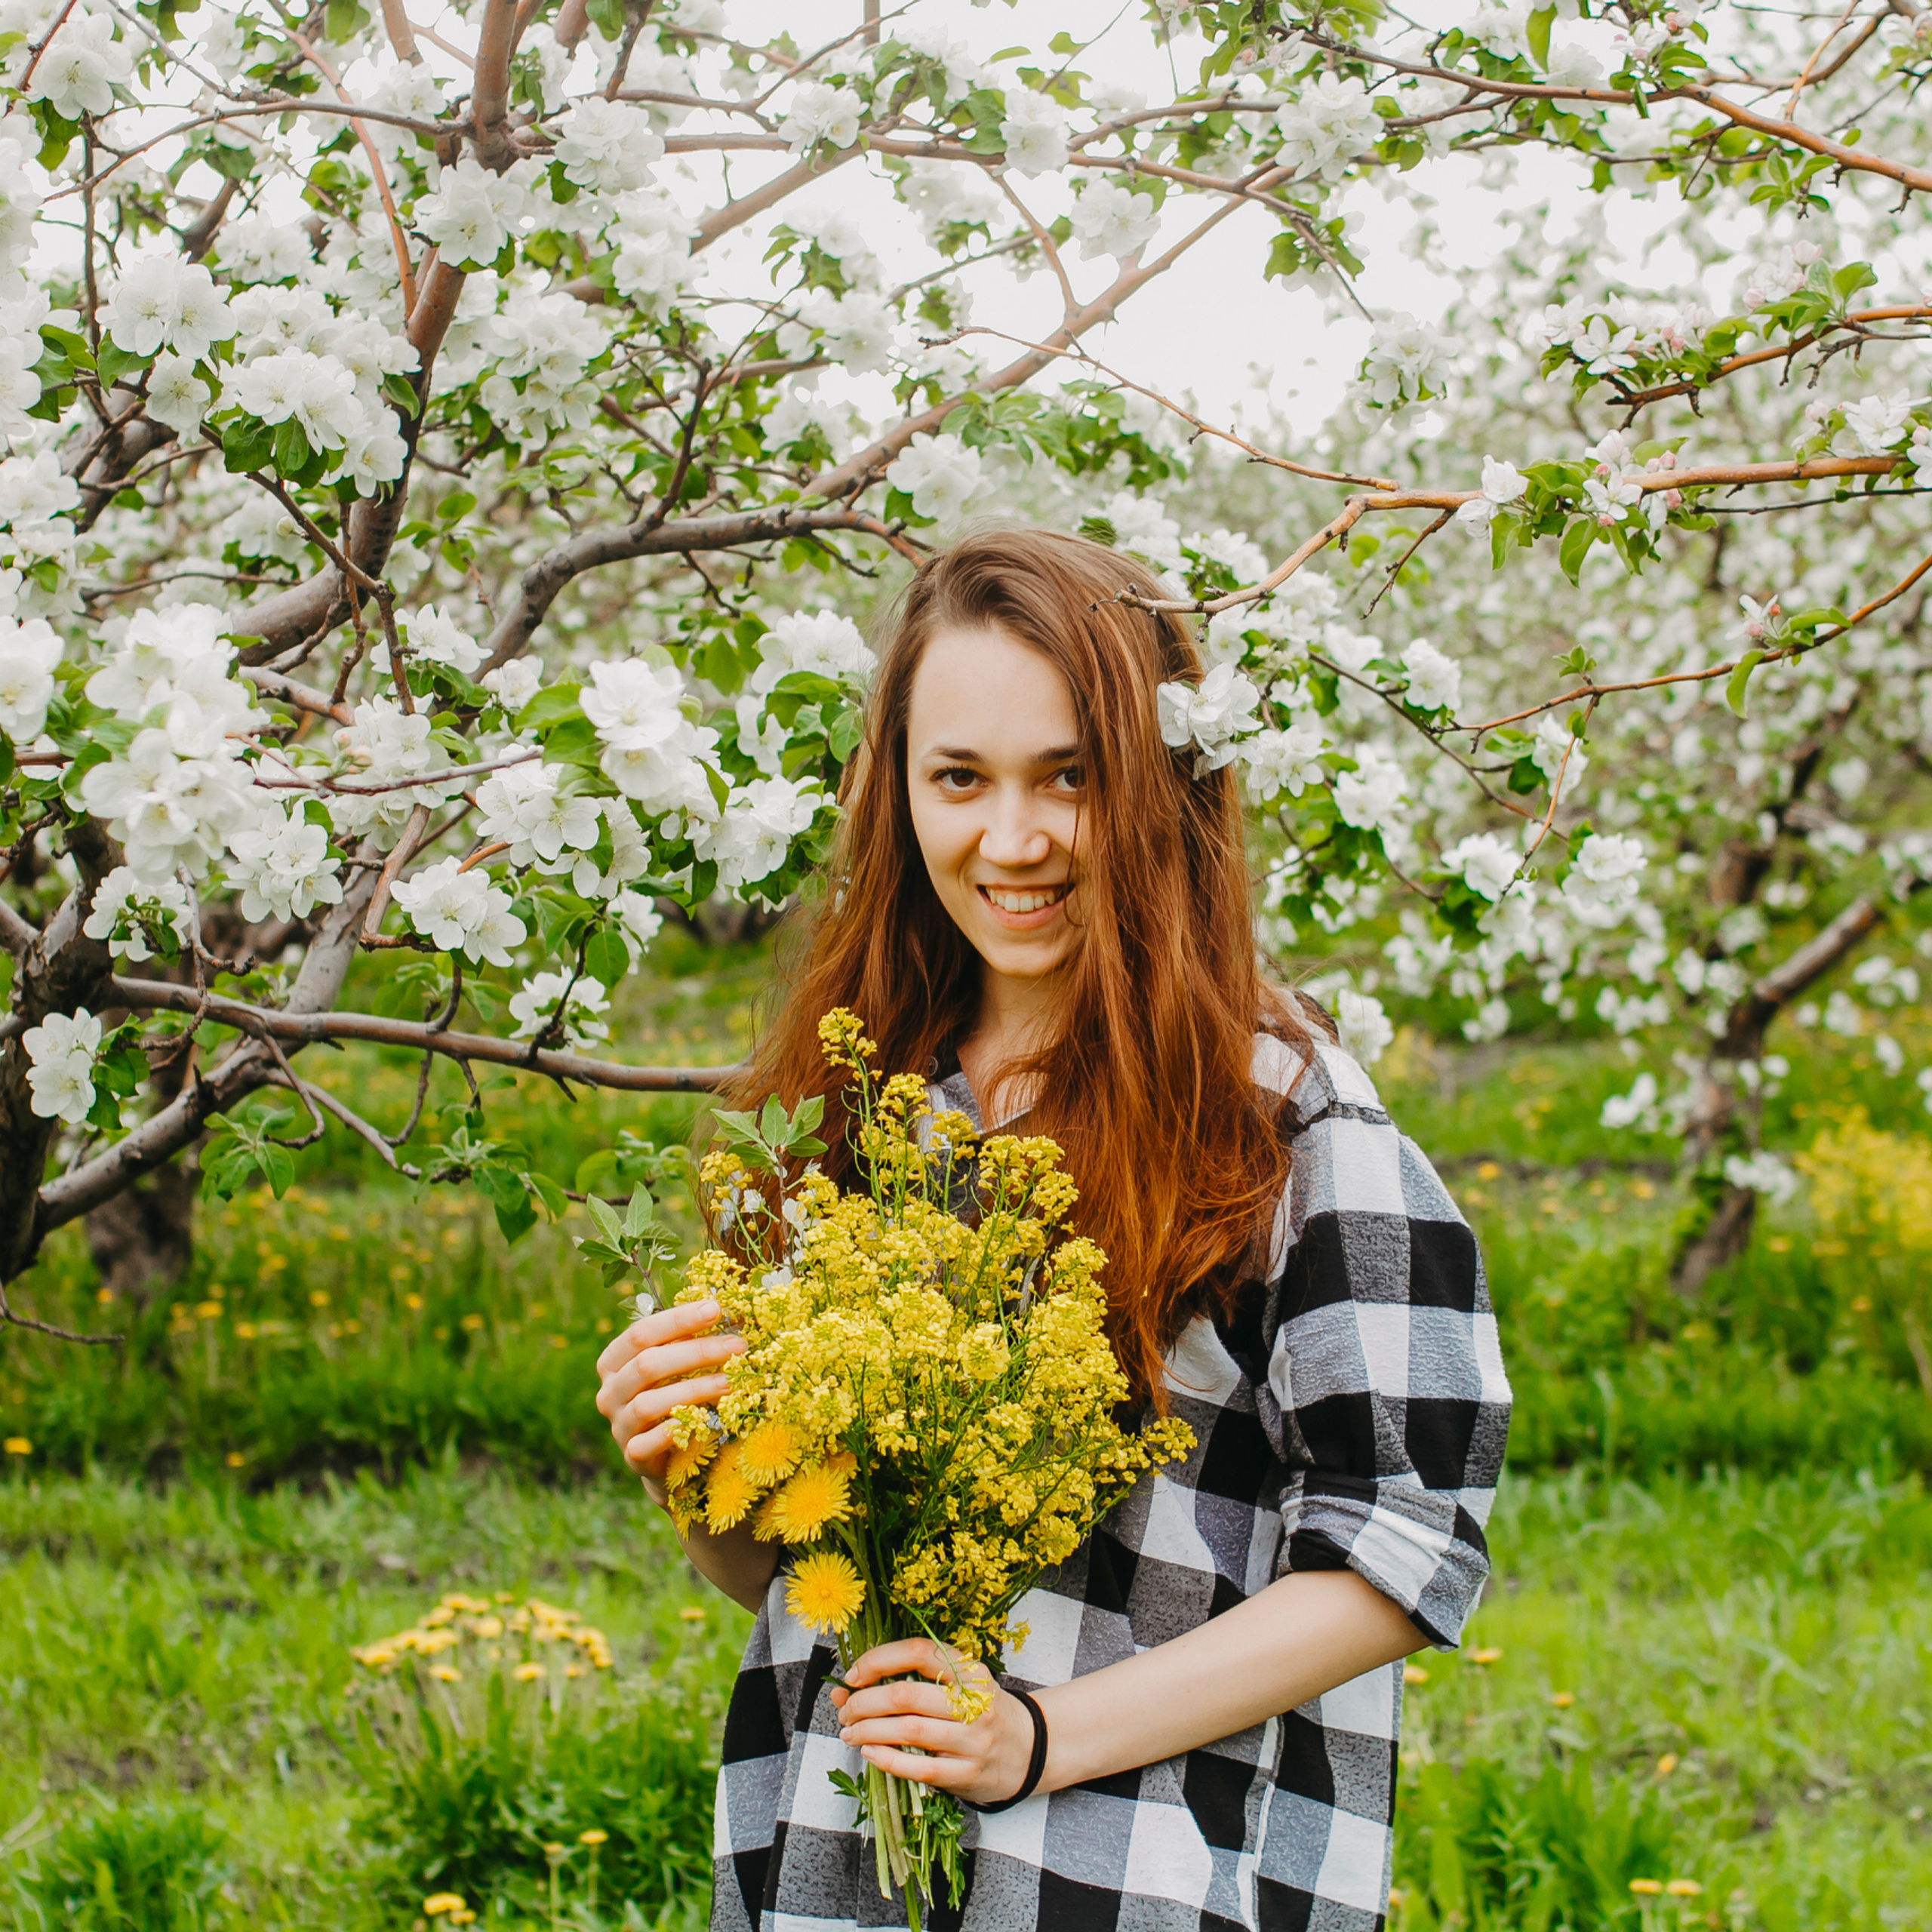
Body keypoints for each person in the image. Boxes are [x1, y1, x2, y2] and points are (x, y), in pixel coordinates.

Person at [595, 528, 1511, 1932]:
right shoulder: (853, 1102)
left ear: (1163, 790)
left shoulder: (1281, 1114)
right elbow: (789, 1580)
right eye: (959, 777)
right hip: (837, 1866)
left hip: (1150, 1875)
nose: (1011, 841)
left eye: (1069, 778)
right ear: (896, 790)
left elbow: (1403, 1544)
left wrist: (1038, 1737)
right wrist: (691, 1468)